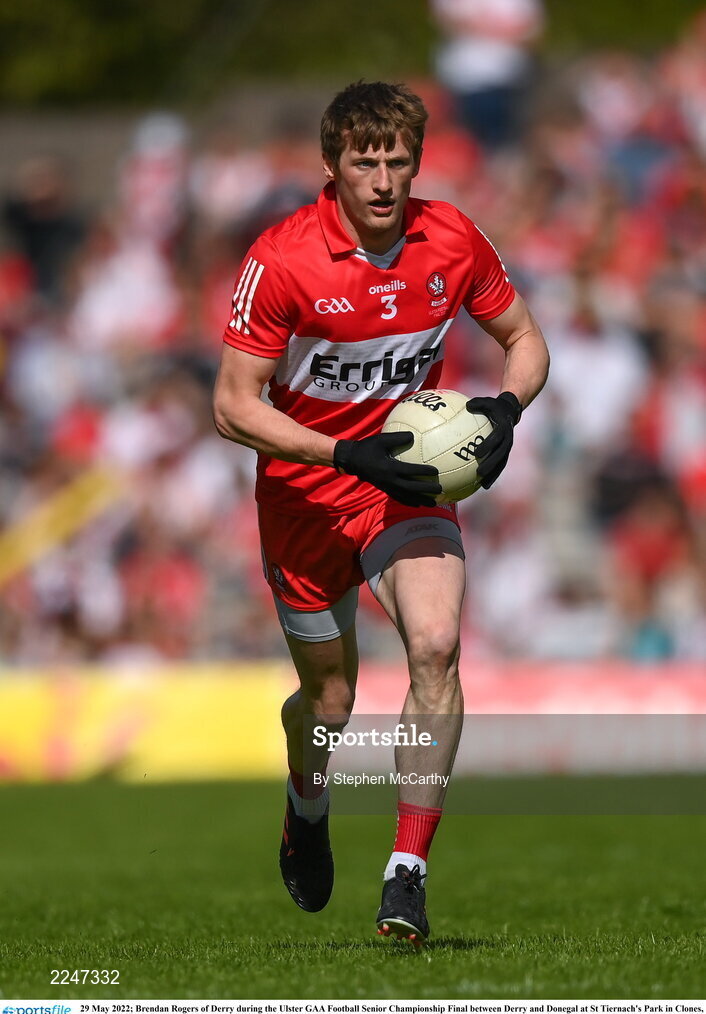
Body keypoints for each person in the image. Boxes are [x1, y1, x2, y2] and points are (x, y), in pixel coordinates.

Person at [213, 80, 549, 942]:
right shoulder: (282, 258)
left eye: (398, 160)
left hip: (403, 490)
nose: (383, 179)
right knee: (328, 703)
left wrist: (504, 411)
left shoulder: (451, 237)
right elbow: (232, 406)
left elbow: (525, 341)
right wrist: (339, 451)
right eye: (365, 162)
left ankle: (407, 873)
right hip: (303, 499)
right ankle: (307, 801)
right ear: (331, 167)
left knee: (436, 643)